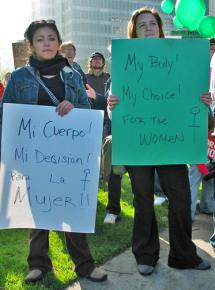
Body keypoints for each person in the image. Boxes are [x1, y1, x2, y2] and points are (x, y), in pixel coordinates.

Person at [0, 19, 107, 284]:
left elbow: (87, 112)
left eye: (51, 38)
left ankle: (84, 265)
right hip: (33, 158)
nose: (46, 43)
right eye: (40, 39)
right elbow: (6, 114)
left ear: (58, 42)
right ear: (31, 45)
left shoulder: (72, 75)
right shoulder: (19, 78)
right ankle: (38, 264)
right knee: (36, 211)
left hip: (68, 157)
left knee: (73, 210)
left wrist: (74, 106)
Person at [107, 7, 211, 276]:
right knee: (142, 201)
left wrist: (204, 103)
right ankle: (146, 254)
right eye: (142, 25)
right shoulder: (124, 63)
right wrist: (111, 105)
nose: (148, 28)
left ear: (160, 28)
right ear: (134, 32)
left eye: (152, 23)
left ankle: (183, 255)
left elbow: (191, 95)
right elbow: (115, 105)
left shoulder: (180, 60)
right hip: (138, 144)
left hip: (171, 144)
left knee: (180, 197)